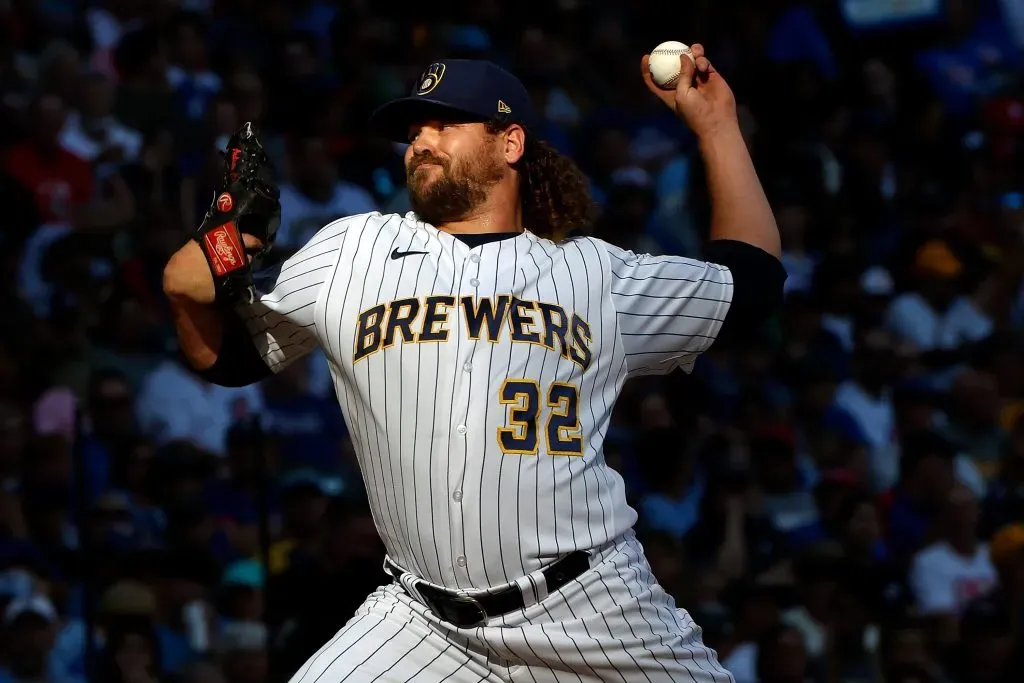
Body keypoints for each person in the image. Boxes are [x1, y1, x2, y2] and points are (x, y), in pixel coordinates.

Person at [163, 47, 784, 682]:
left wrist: (717, 127)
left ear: (510, 142)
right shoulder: (351, 251)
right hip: (423, 621)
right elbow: (232, 361)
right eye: (413, 131)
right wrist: (189, 290)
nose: (420, 141)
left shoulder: (595, 272)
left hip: (594, 606)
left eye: (445, 123)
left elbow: (753, 284)